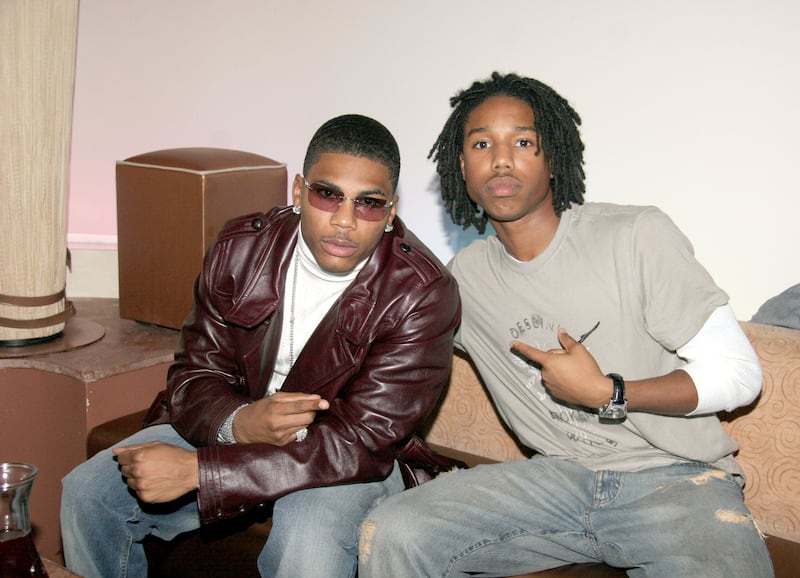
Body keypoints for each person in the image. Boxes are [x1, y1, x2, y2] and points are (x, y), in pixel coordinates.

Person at [358, 72, 774, 577]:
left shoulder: (635, 236)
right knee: (395, 530)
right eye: (482, 144)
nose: (502, 159)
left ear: (553, 157)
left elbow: (739, 374)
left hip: (678, 482)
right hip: (554, 483)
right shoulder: (463, 279)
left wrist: (608, 392)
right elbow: (378, 333)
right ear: (462, 167)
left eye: (523, 142)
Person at [61, 114, 461, 578]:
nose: (344, 220)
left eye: (368, 204)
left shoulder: (421, 293)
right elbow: (193, 376)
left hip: (344, 460)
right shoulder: (241, 249)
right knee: (88, 492)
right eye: (327, 194)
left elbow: (362, 443)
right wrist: (238, 424)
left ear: (390, 213)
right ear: (298, 192)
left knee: (308, 535)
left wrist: (202, 472)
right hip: (236, 427)